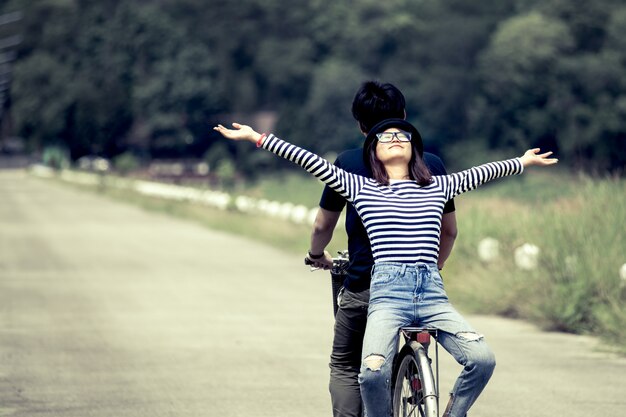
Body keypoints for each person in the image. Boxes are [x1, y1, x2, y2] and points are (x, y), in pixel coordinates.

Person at [213, 119, 557, 417]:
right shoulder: (361, 187)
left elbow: (483, 172)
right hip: (387, 297)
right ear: (373, 151)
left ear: (415, 150)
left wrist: (523, 161)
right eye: (385, 136)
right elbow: (310, 162)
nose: (395, 138)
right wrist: (257, 137)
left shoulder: (438, 186)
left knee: (483, 359)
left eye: (403, 136)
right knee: (372, 374)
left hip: (433, 295)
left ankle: (454, 412)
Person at [304, 81, 457, 417]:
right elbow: (449, 232)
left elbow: (322, 226)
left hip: (365, 287)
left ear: (361, 126)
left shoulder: (346, 163)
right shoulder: (432, 165)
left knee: (346, 364)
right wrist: (436, 266)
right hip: (420, 288)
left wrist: (317, 255)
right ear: (404, 118)